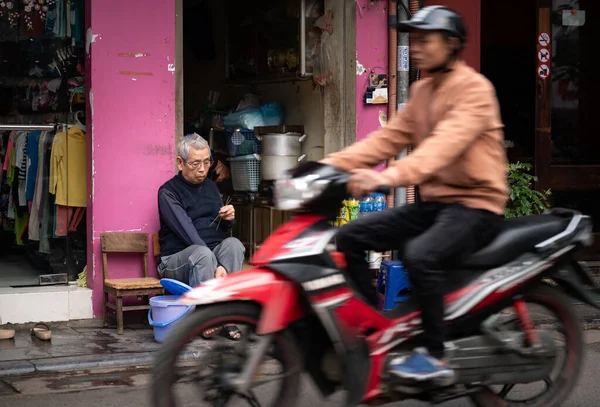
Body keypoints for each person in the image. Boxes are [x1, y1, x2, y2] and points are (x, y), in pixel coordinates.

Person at [321, 6, 508, 384]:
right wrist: (328, 166)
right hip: (436, 205)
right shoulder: (422, 90)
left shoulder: (474, 89)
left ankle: (436, 354)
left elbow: (441, 147)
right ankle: (376, 331)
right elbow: (388, 138)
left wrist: (385, 178)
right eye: (414, 38)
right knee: (350, 235)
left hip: (475, 205)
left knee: (420, 255)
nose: (416, 46)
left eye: (425, 39)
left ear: (452, 44)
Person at [157, 133, 246, 340]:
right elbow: (188, 232)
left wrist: (229, 219)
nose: (203, 169)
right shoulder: (168, 192)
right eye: (196, 163)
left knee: (234, 245)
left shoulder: (211, 188)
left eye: (207, 162)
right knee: (202, 253)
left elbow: (220, 231)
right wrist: (218, 264)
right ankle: (205, 316)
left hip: (209, 255)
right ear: (180, 163)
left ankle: (226, 314)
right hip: (176, 261)